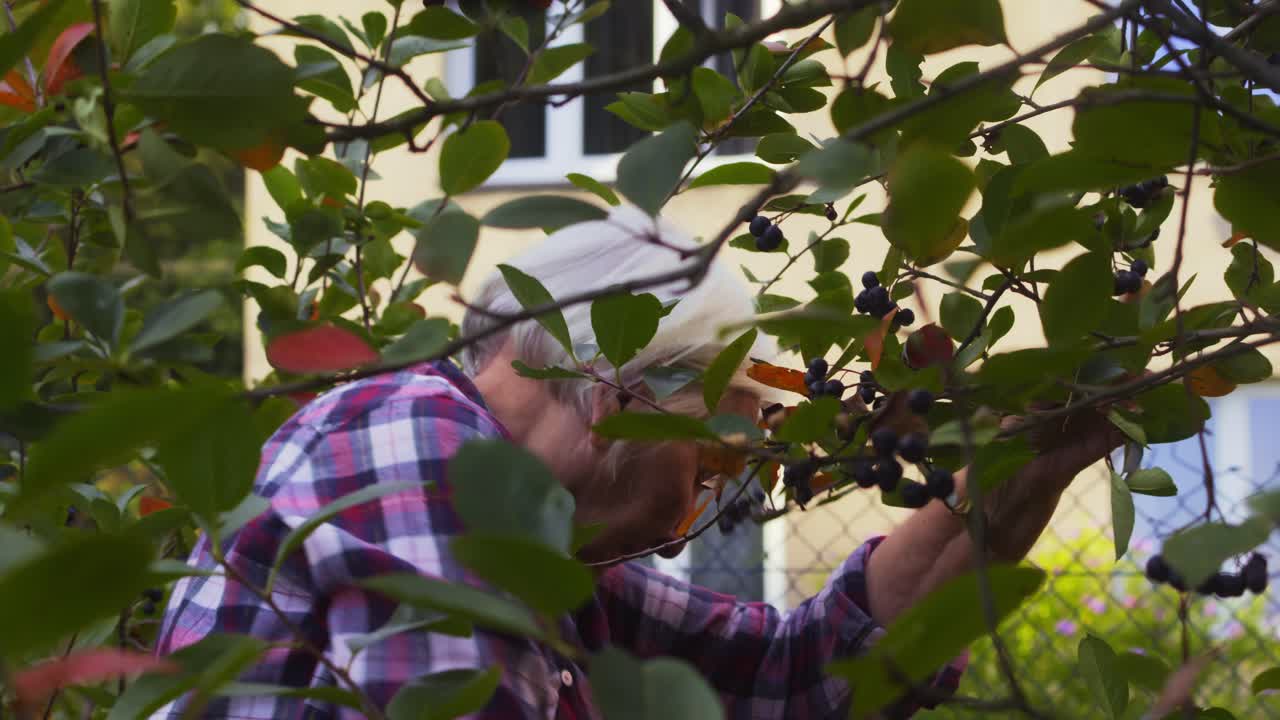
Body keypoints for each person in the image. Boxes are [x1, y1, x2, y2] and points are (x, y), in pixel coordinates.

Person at [151, 204, 1122, 719]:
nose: (700, 499)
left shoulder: (549, 569)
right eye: (708, 453)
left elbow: (803, 674)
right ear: (615, 380)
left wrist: (1021, 470)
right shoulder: (407, 441)